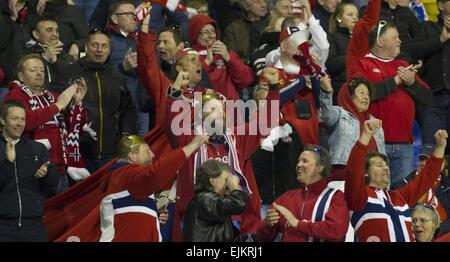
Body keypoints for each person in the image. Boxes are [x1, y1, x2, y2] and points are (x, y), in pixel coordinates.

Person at [345, 21, 432, 188]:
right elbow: (362, 95)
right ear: (380, 41)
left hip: (405, 144)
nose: (400, 41)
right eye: (395, 37)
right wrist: (397, 81)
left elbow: (427, 98)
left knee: (401, 198)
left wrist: (412, 83)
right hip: (374, 143)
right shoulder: (362, 65)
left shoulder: (403, 66)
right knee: (373, 193)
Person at [345, 119, 447, 242]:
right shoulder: (359, 197)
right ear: (365, 173)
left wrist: (441, 146)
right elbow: (353, 170)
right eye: (379, 165)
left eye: (386, 164)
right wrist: (366, 136)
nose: (385, 167)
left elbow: (427, 178)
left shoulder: (399, 197)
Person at [52, 28, 137, 173]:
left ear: (109, 49)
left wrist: (126, 137)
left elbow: (128, 110)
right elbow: (55, 109)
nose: (99, 50)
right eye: (95, 45)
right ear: (86, 47)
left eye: (104, 46)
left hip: (110, 155)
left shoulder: (116, 77)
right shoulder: (68, 73)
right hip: (77, 154)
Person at [99, 133, 208, 242]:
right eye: (147, 151)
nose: (153, 155)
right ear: (132, 156)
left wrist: (154, 217)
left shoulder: (129, 182)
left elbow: (131, 222)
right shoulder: (124, 175)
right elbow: (155, 174)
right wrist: (193, 145)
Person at [4, 53, 90, 191]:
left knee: (62, 212)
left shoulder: (53, 97)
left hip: (60, 169)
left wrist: (77, 103)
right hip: (33, 169)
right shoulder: (15, 96)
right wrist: (57, 107)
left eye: (42, 70)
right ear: (21, 76)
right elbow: (25, 122)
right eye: (32, 70)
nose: (39, 73)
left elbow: (74, 127)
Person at [256, 145, 349, 242]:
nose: (299, 165)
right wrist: (268, 224)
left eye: (305, 161)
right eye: (298, 161)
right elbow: (262, 236)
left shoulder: (334, 197)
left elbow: (336, 230)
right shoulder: (287, 198)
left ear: (320, 168)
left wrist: (297, 224)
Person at [0, 100, 59, 241]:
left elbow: (52, 184)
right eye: (14, 118)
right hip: (3, 228)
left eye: (22, 119)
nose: (20, 123)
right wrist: (7, 163)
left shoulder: (37, 148)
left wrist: (47, 173)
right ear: (2, 120)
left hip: (34, 227)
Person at [320, 76, 385, 187]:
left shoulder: (375, 123)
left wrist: (384, 184)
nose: (366, 97)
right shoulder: (340, 114)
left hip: (371, 179)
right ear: (349, 96)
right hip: (342, 176)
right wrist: (326, 92)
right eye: (361, 93)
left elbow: (383, 155)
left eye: (368, 94)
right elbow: (327, 115)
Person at [188, 14, 254, 101]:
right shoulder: (188, 56)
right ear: (195, 34)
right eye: (206, 32)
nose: (211, 36)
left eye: (213, 31)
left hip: (231, 109)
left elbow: (246, 80)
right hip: (203, 108)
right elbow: (189, 85)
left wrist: (229, 58)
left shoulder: (226, 53)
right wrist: (206, 63)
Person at [107, 0, 149, 137]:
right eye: (129, 14)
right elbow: (101, 72)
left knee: (143, 146)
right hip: (118, 108)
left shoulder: (142, 38)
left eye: (135, 13)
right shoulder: (106, 40)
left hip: (142, 103)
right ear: (114, 18)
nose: (134, 17)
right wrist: (122, 67)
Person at [182, 160, 248, 242]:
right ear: (212, 181)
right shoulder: (205, 200)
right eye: (227, 179)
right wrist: (234, 187)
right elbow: (238, 204)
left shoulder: (211, 200)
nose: (229, 183)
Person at [26, 15, 75, 84]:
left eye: (57, 31)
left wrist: (55, 63)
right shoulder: (27, 55)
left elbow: (68, 81)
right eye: (49, 30)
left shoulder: (66, 57)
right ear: (36, 34)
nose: (55, 34)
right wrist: (45, 59)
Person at [326, 2, 359, 102]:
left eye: (357, 15)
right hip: (341, 87)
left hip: (361, 86)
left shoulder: (362, 39)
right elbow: (331, 64)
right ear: (339, 18)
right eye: (350, 14)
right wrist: (352, 55)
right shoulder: (332, 37)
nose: (355, 18)